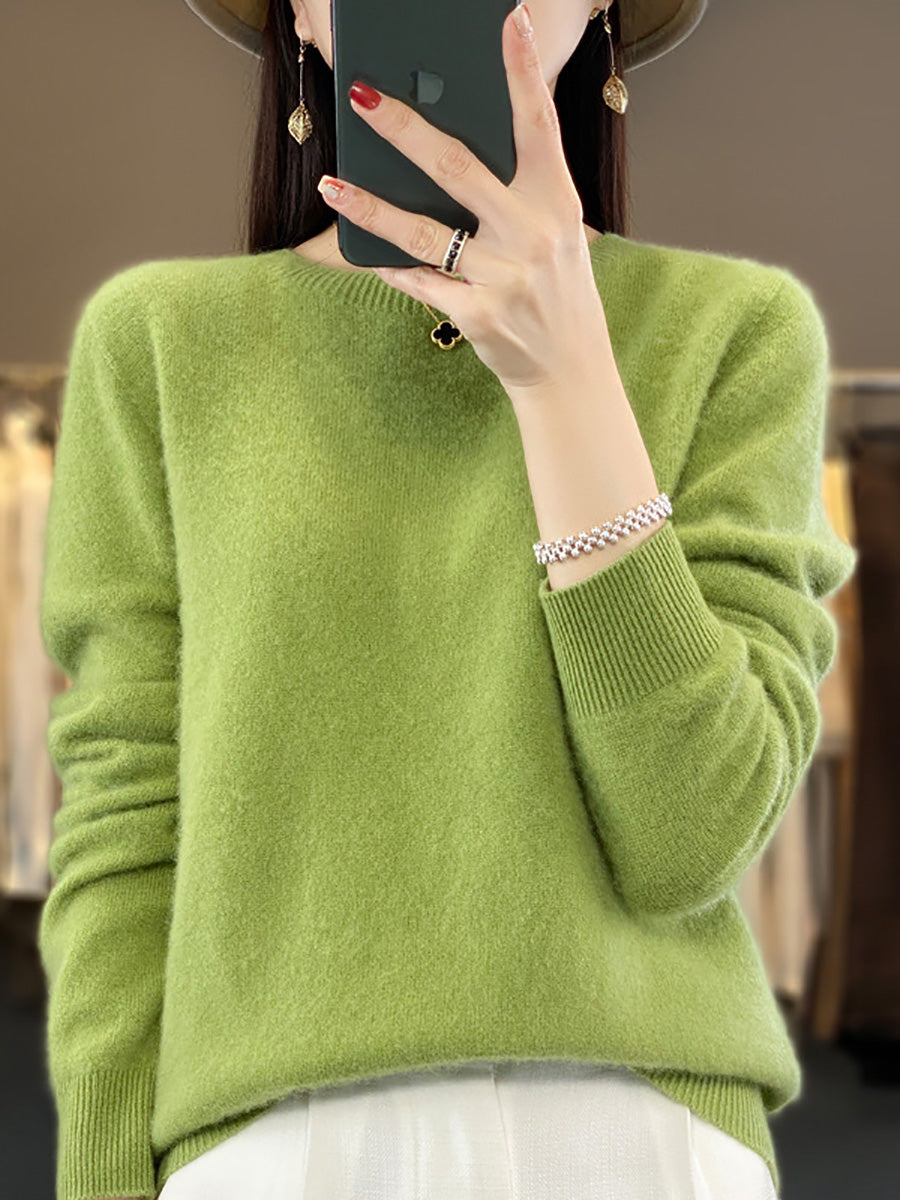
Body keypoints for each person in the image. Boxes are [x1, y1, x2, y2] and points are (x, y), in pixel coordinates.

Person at [37, 2, 857, 1199]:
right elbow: (124, 814)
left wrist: (568, 378)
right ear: (302, 15)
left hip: (641, 1133)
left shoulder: (737, 333)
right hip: (273, 1143)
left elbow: (693, 835)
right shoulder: (160, 344)